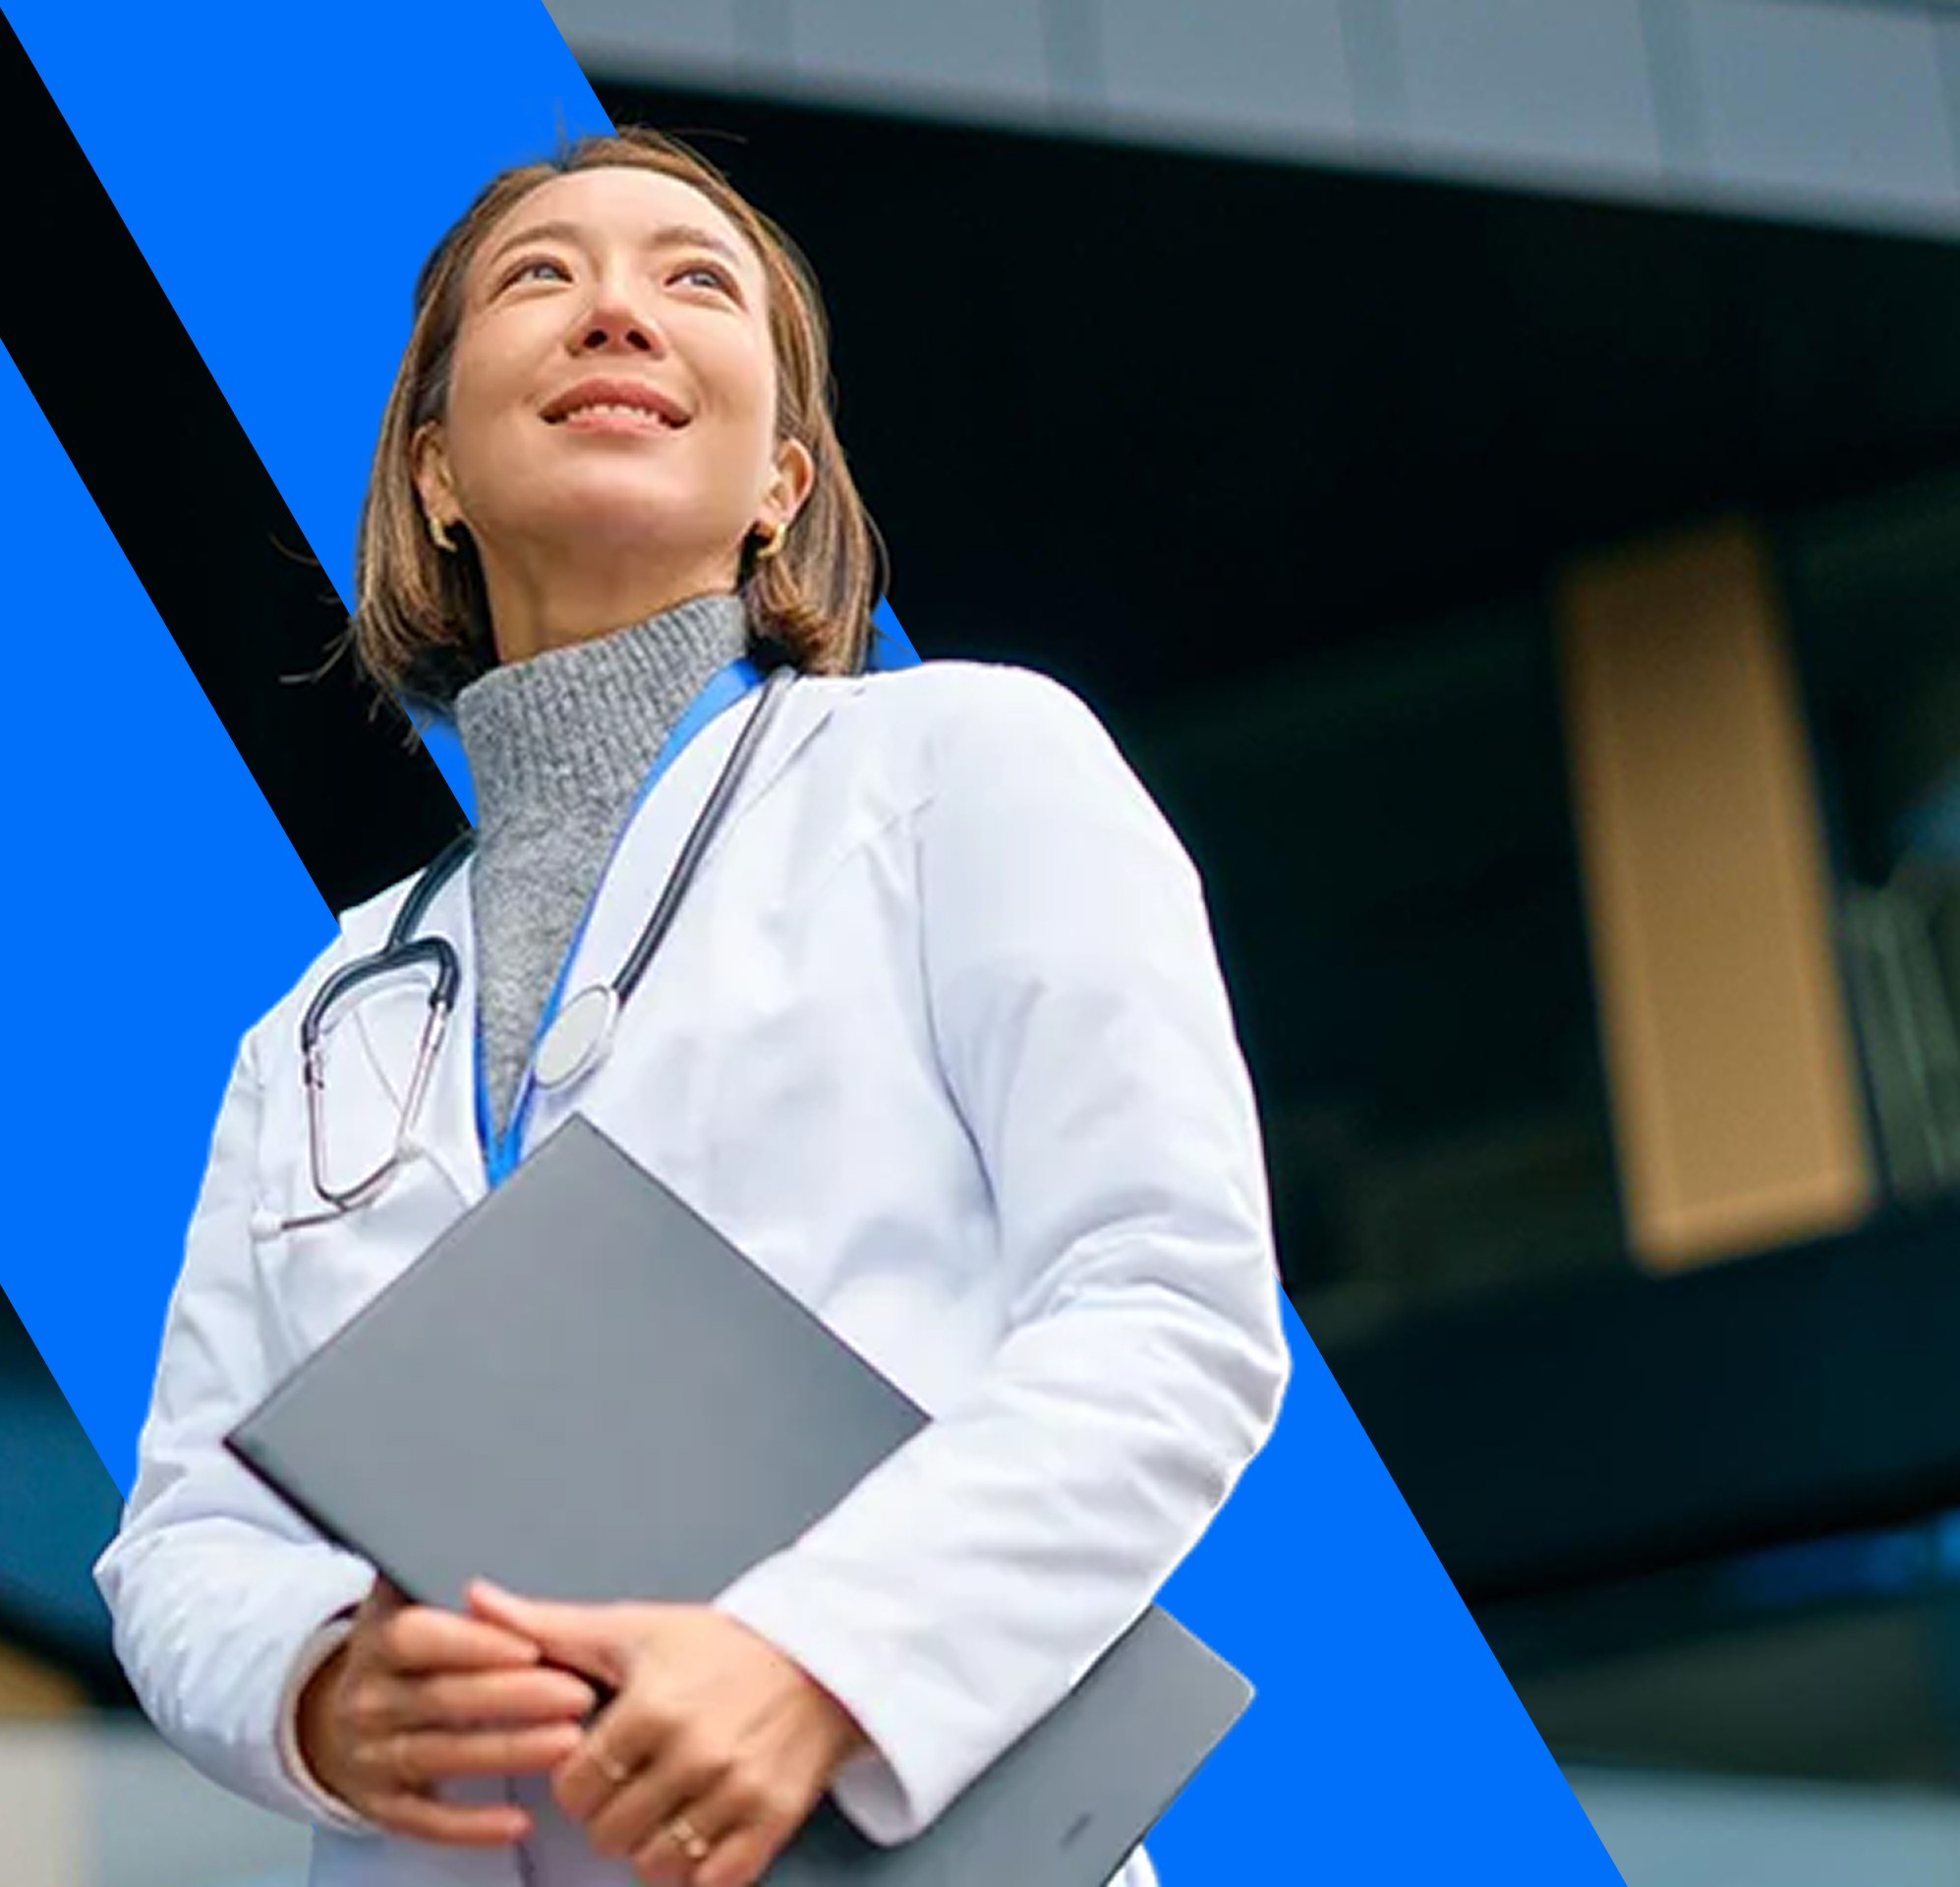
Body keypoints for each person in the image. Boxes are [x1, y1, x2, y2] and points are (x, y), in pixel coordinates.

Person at [95, 129, 1292, 1887]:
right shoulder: (324, 1017)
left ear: (781, 484)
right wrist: (322, 1692)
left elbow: (1169, 1308)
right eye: (538, 277)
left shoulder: (966, 764)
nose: (615, 315)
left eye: (694, 280)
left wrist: (820, 1657)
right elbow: (187, 1532)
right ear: (432, 472)